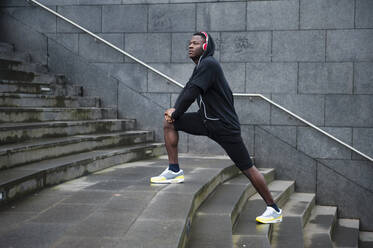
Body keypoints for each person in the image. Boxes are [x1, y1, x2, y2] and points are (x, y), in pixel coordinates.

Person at [150, 32, 282, 224]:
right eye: (189, 43)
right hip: (206, 121)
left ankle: (273, 208)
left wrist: (176, 112)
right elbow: (187, 89)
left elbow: (191, 94)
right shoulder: (200, 67)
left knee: (247, 168)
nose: (190, 46)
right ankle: (174, 170)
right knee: (169, 123)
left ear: (205, 47)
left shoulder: (209, 64)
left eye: (195, 43)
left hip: (224, 127)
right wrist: (174, 112)